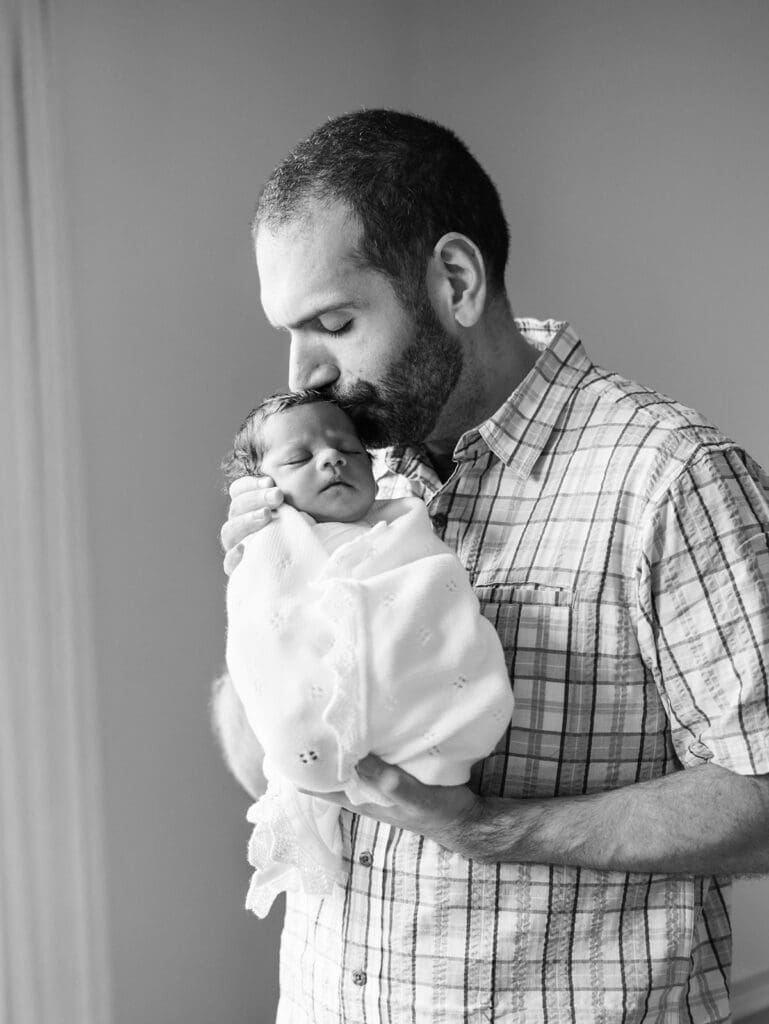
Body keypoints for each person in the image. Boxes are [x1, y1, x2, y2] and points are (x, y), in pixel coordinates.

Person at [211, 109, 769, 1023]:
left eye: (335, 321)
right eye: (289, 332)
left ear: (456, 281)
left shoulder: (665, 478)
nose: (302, 374)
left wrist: (490, 829)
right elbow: (267, 767)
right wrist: (257, 599)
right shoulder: (339, 473)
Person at [221, 390, 513, 918]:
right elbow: (266, 655)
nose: (331, 458)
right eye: (298, 458)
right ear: (261, 488)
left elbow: (431, 601)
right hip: (326, 966)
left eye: (348, 449)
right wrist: (256, 575)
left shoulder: (404, 526)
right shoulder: (268, 548)